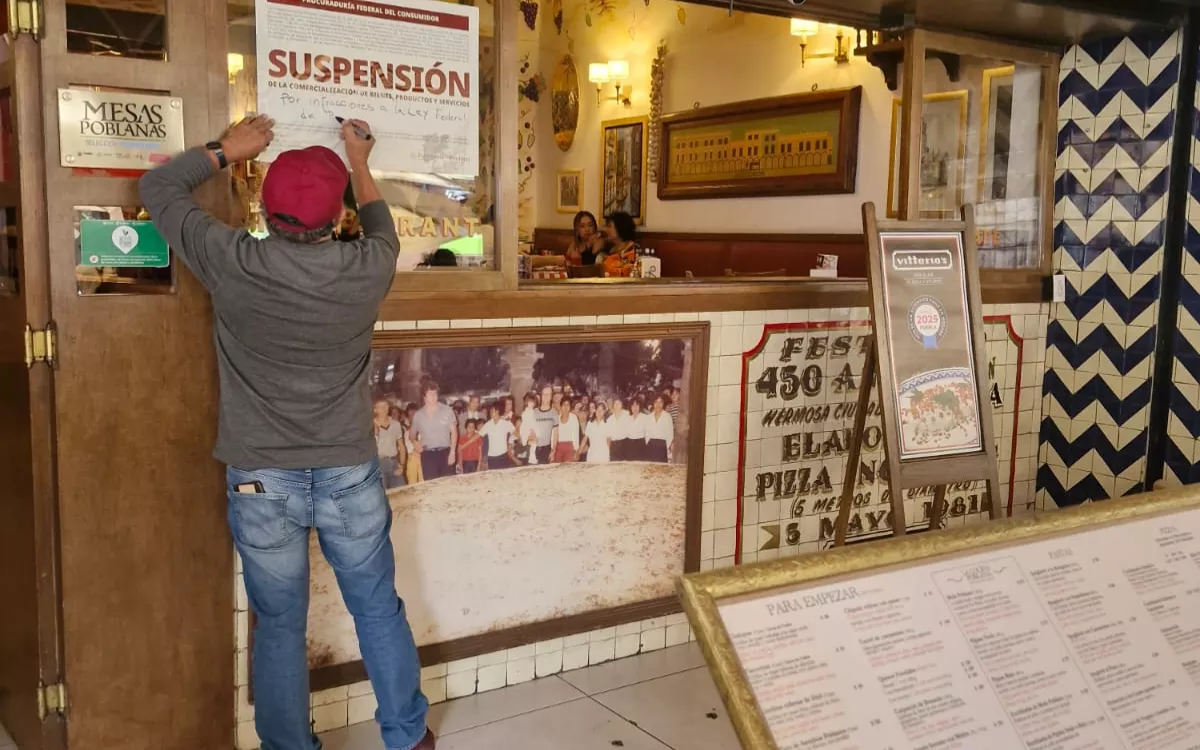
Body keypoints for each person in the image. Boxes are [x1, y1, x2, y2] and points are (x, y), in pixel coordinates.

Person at [138, 115, 434, 750]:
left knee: (278, 622)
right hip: (347, 471)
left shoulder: (231, 260)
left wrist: (226, 150)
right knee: (377, 607)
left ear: (266, 211)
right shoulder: (369, 267)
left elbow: (157, 190)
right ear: (337, 218)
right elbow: (383, 224)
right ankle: (408, 737)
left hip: (259, 477)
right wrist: (358, 159)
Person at [411, 381, 457, 481]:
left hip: (445, 453)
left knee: (448, 486)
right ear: (424, 396)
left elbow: (454, 432)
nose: (433, 396)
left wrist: (452, 453)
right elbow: (411, 435)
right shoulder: (418, 415)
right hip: (428, 456)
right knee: (431, 487)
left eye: (435, 393)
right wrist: (415, 443)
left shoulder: (447, 410)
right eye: (430, 394)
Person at [374, 398, 407, 490]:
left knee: (402, 493)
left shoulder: (395, 424)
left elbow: (402, 446)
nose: (384, 409)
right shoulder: (370, 425)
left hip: (394, 463)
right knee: (382, 497)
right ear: (375, 409)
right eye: (380, 407)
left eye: (385, 406)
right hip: (378, 464)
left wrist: (402, 466)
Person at [522, 386, 557, 465]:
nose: (546, 396)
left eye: (548, 394)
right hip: (533, 447)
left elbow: (555, 434)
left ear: (551, 397)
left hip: (546, 449)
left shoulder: (554, 413)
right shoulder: (533, 412)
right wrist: (528, 436)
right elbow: (526, 426)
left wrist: (553, 451)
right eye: (544, 394)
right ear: (541, 395)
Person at [600, 212, 639, 277]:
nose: (606, 230)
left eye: (609, 226)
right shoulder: (607, 248)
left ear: (620, 227)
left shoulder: (634, 251)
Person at [479, 403, 515, 470]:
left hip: (503, 456)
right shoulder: (488, 424)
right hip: (491, 457)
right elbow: (479, 435)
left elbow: (516, 433)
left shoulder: (506, 423)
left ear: (497, 411)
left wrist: (511, 442)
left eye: (491, 411)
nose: (490, 413)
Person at [645, 395, 674, 463]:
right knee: (650, 469)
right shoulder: (649, 417)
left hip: (662, 445)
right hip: (650, 445)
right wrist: (648, 443)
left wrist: (665, 447)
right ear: (653, 403)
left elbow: (670, 434)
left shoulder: (667, 416)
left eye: (660, 402)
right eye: (656, 402)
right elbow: (646, 432)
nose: (658, 404)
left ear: (663, 403)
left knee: (661, 470)